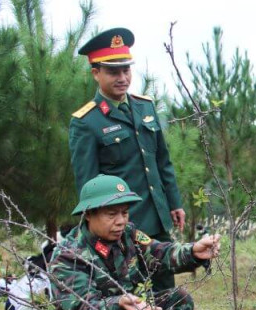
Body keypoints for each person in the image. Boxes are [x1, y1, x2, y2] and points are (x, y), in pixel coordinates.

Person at [49, 175, 220, 310]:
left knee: (178, 301)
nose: (120, 221)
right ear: (89, 214)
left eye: (125, 212)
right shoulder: (67, 257)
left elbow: (161, 253)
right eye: (112, 214)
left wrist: (193, 251)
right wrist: (118, 303)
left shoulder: (128, 235)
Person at [69, 28, 184, 293]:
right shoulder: (86, 122)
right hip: (119, 227)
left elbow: (161, 162)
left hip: (156, 218)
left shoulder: (145, 107)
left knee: (166, 291)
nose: (122, 78)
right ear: (96, 73)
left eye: (126, 70)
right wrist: (102, 227)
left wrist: (174, 203)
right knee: (126, 297)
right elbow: (87, 185)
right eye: (113, 72)